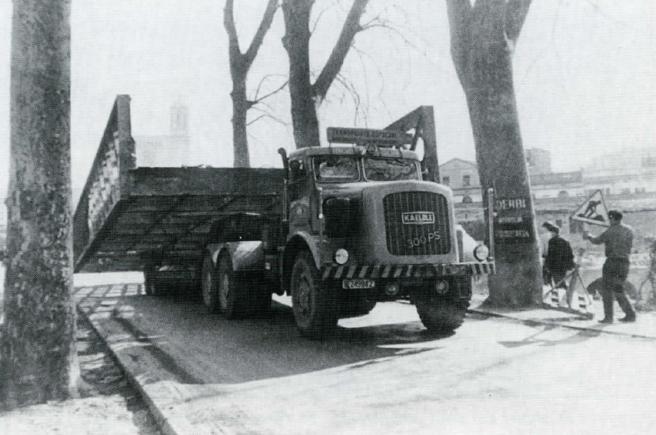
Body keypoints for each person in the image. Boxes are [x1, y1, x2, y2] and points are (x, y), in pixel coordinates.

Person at [583, 210, 636, 323]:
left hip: (612, 262)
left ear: (612, 218)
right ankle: (630, 315)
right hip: (625, 262)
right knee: (619, 289)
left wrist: (588, 235)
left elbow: (596, 241)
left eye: (609, 218)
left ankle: (609, 317)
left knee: (607, 289)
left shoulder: (610, 231)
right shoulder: (629, 230)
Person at [542, 222, 576, 307]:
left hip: (554, 266)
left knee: (555, 283)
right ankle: (565, 298)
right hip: (563, 266)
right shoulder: (565, 241)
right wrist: (570, 265)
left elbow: (550, 255)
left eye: (551, 232)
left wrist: (546, 265)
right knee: (560, 281)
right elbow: (570, 255)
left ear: (554, 232)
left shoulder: (552, 241)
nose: (550, 234)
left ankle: (564, 300)